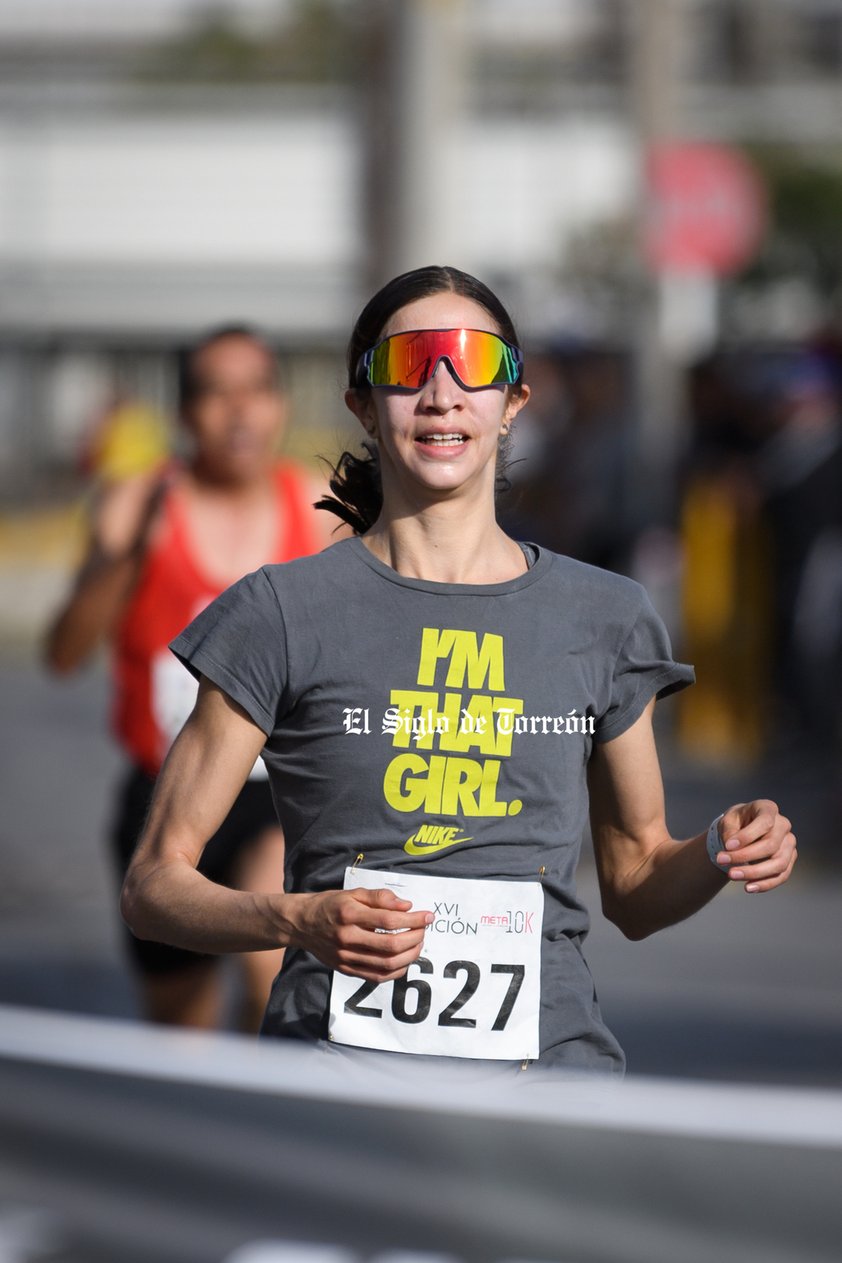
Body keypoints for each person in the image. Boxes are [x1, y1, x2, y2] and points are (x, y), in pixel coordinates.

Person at [120, 268, 797, 1074]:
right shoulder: (279, 612)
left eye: (473, 362)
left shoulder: (604, 616)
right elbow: (154, 884)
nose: (442, 392)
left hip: (548, 1086)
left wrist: (720, 848)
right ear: (363, 405)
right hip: (337, 1085)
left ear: (513, 403)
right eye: (410, 365)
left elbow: (638, 881)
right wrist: (296, 918)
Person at [46, 325, 336, 1032]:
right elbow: (63, 653)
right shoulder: (137, 503)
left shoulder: (321, 508)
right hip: (169, 790)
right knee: (182, 1028)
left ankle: (257, 1109)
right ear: (183, 414)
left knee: (270, 960)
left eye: (257, 391)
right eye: (216, 393)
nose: (239, 412)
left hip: (283, 794)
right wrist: (122, 559)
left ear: (279, 406)